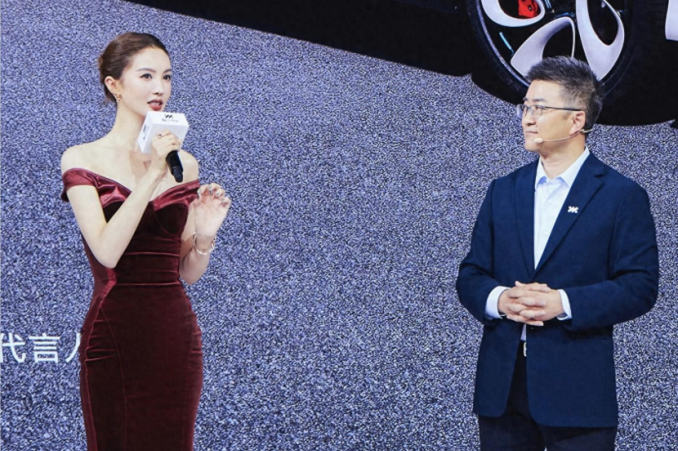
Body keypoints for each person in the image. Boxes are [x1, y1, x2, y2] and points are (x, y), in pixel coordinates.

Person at [456, 56, 659, 450]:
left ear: (576, 120)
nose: (527, 120)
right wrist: (500, 299)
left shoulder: (621, 196)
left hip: (578, 395)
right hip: (502, 393)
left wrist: (562, 303)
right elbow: (471, 275)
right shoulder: (503, 190)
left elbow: (640, 286)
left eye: (540, 108)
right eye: (525, 107)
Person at [60, 32, 231, 451]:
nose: (160, 88)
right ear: (114, 84)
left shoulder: (184, 164)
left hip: (174, 332)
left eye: (167, 77)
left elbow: (187, 272)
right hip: (116, 330)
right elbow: (106, 251)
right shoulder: (82, 158)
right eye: (147, 76)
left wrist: (206, 233)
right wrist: (153, 173)